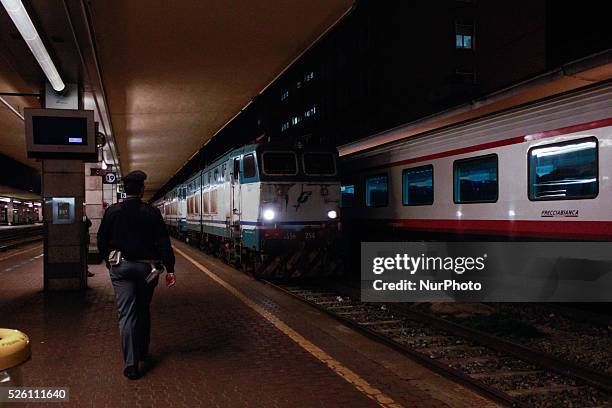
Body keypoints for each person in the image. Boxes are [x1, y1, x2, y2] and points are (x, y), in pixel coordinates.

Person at [97, 170, 176, 380]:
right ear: (141, 190)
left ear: (125, 190)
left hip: (120, 268)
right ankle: (142, 350)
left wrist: (108, 260)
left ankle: (131, 365)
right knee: (143, 309)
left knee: (127, 315)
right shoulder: (151, 212)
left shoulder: (113, 211)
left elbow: (101, 239)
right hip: (146, 269)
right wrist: (170, 268)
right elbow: (163, 243)